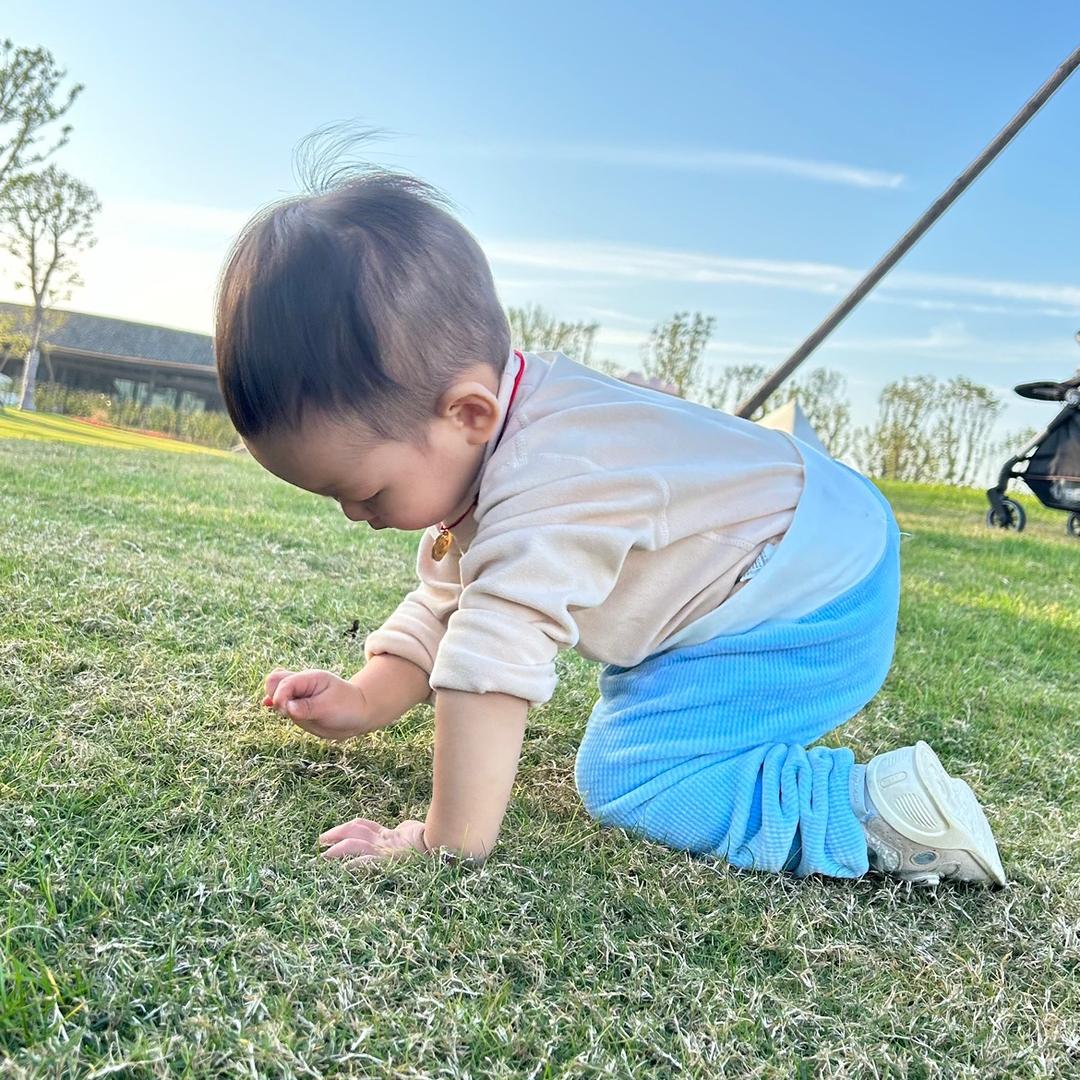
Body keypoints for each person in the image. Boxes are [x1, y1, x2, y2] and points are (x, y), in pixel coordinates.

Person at [213, 170, 1006, 887]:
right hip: (811, 538)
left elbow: (487, 663)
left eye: (365, 491)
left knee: (637, 772)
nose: (358, 518)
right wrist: (363, 697)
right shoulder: (502, 430)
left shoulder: (549, 478)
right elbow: (451, 601)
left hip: (809, 593)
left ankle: (872, 808)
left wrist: (442, 841)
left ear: (467, 413)